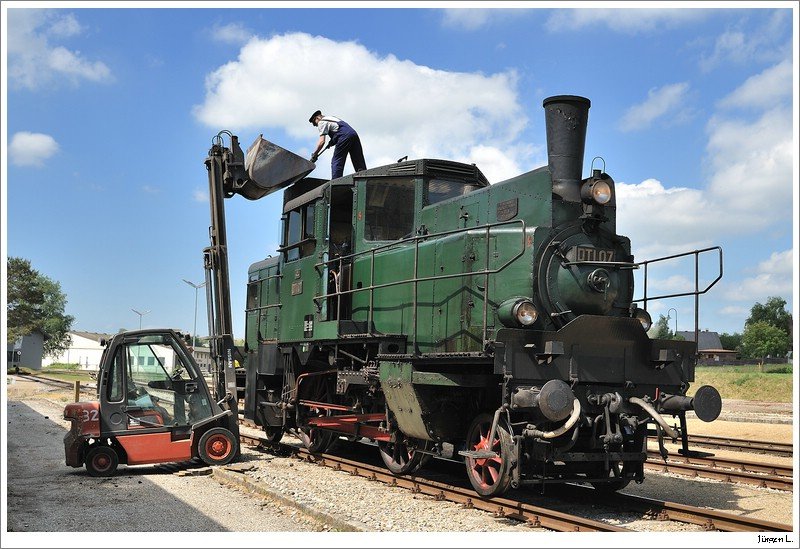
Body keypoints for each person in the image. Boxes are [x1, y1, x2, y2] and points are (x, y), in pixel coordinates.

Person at [309, 110, 367, 179]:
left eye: (314, 123)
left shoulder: (321, 122)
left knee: (337, 160)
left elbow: (322, 141)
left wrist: (315, 154)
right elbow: (338, 130)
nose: (315, 125)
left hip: (344, 136)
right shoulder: (331, 118)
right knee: (358, 159)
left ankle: (336, 181)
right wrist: (332, 142)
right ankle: (364, 178)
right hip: (353, 134)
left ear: (317, 118)